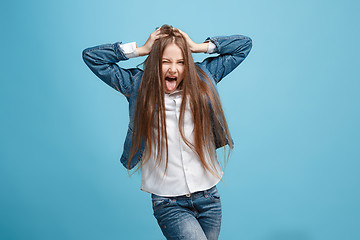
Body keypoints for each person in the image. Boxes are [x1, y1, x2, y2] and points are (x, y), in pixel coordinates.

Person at [82, 24, 252, 240]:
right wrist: (141, 49)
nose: (173, 69)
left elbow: (243, 46)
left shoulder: (203, 78)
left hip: (209, 197)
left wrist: (198, 47)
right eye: (165, 61)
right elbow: (92, 57)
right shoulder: (137, 85)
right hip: (169, 203)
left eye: (181, 62)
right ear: (154, 63)